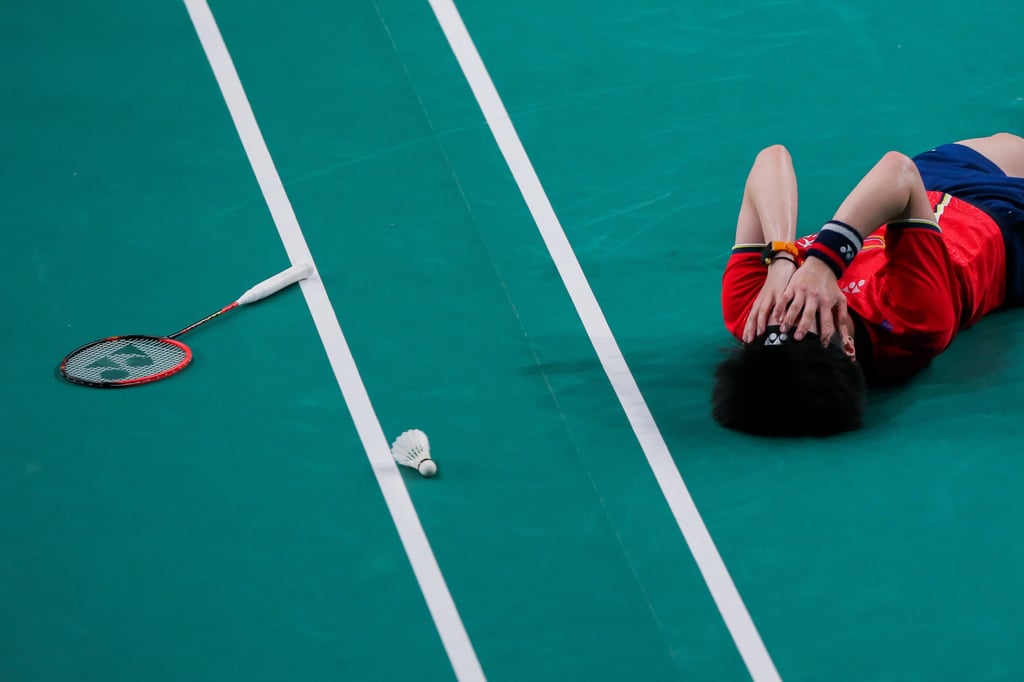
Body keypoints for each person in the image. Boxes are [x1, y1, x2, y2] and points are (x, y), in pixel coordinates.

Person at [712, 132, 1024, 436]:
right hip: (1005, 219)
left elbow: (771, 159)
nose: (785, 311)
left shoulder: (753, 310)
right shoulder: (910, 325)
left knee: (1008, 141)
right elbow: (897, 169)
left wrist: (781, 259)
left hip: (916, 188)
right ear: (848, 347)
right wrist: (822, 265)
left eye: (773, 324)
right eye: (805, 321)